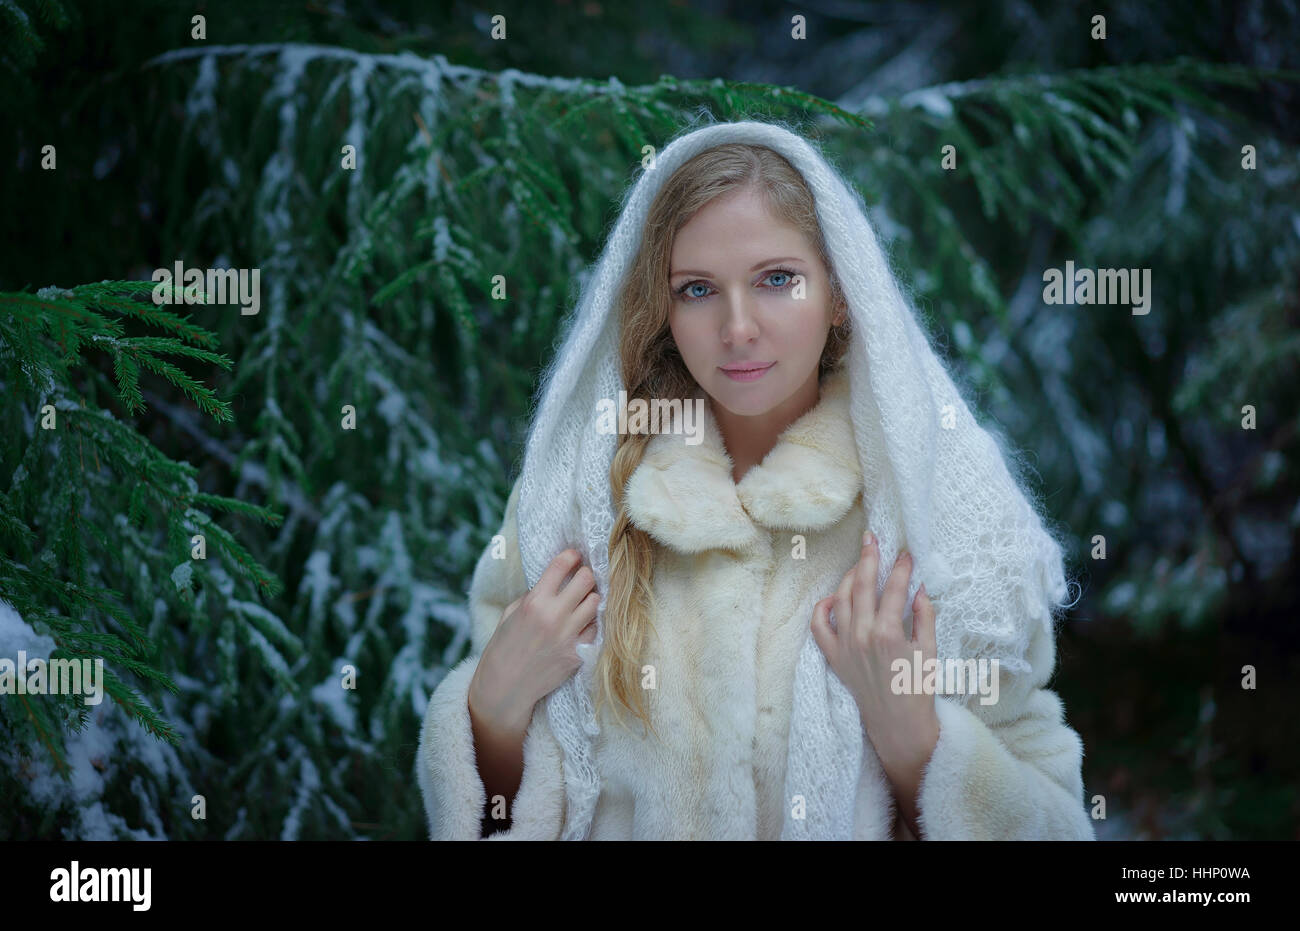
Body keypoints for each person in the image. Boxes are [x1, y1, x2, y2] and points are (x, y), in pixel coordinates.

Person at [417, 119, 1095, 841]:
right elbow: (498, 814)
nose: (737, 328)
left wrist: (915, 745)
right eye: (698, 289)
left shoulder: (942, 516)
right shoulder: (580, 505)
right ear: (662, 306)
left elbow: (1053, 821)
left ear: (840, 293)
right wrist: (489, 713)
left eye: (777, 280)